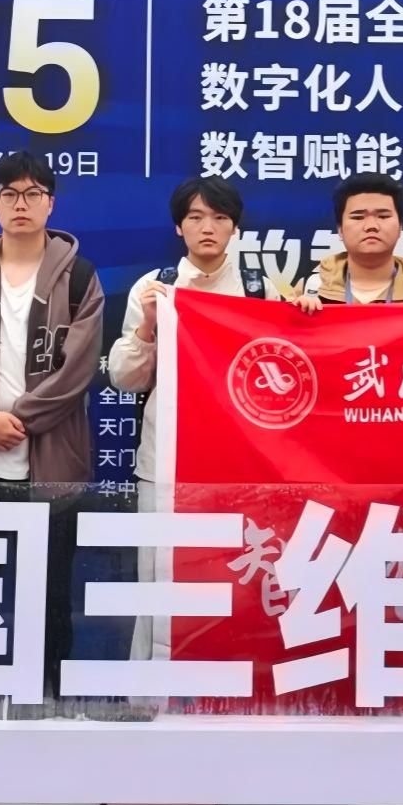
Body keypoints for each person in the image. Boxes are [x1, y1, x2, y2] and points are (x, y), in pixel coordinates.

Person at [0, 150, 104, 699]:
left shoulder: (79, 278)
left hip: (51, 464)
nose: (21, 204)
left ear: (51, 203)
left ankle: (45, 694)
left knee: (48, 592)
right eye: (10, 194)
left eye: (33, 194)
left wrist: (17, 420)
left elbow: (78, 370)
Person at [108, 175, 279, 665]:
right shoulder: (155, 288)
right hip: (167, 460)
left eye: (220, 218)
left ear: (234, 228)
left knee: (239, 577)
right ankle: (150, 690)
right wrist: (147, 326)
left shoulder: (258, 290)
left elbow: (278, 371)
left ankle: (232, 688)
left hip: (239, 464)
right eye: (196, 218)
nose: (208, 228)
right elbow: (124, 378)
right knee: (159, 578)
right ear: (178, 227)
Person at [292, 172, 403, 312]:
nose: (371, 226)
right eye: (358, 217)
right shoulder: (310, 289)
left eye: (383, 216)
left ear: (400, 227)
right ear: (340, 230)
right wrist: (297, 316)